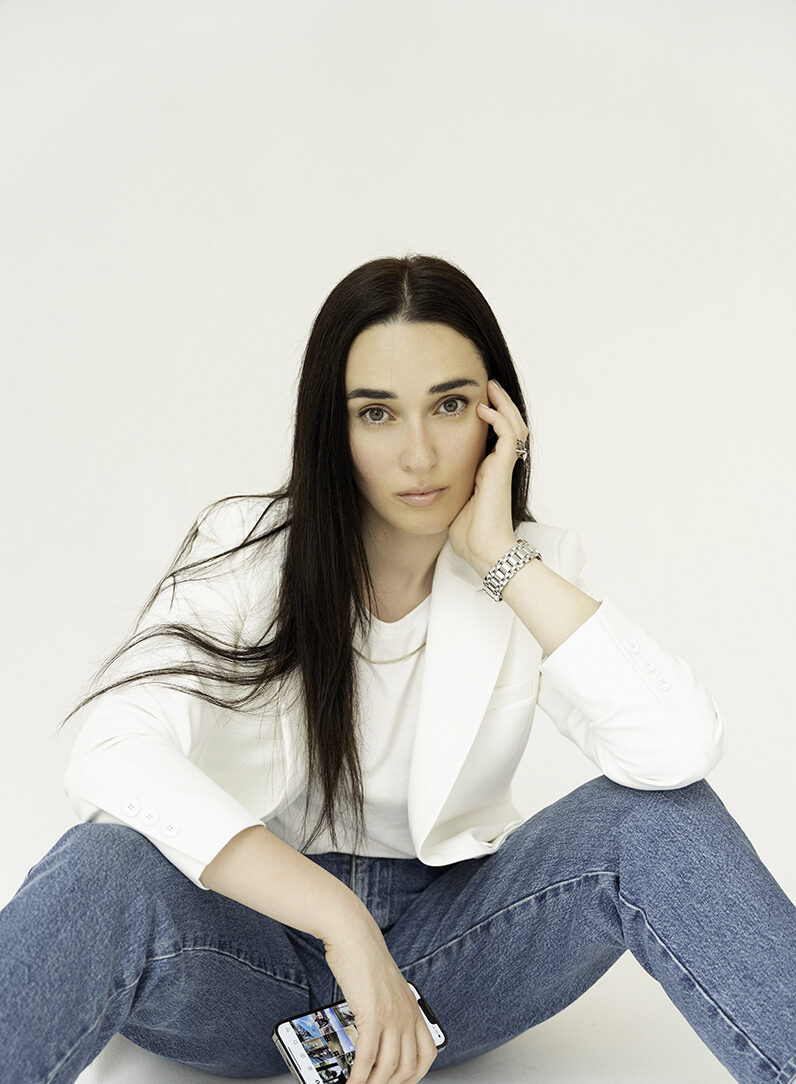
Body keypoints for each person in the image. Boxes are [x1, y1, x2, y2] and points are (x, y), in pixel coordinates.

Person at [1, 254, 794, 1084]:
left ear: (497, 416)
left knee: (660, 821)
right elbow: (112, 753)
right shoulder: (245, 552)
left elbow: (675, 751)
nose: (419, 454)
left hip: (446, 960)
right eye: (378, 413)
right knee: (104, 865)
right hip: (240, 951)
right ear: (332, 429)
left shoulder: (528, 566)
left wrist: (499, 556)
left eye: (449, 406)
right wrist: (340, 921)